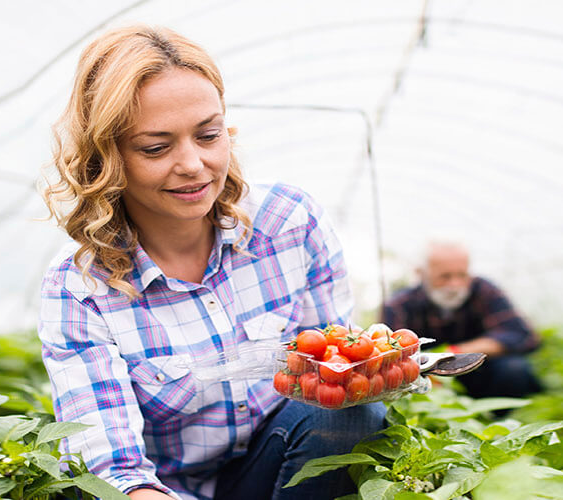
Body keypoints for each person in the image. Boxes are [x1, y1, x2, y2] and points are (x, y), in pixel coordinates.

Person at [36, 25, 384, 500]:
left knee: (348, 411)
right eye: (155, 147)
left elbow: (334, 368)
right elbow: (111, 472)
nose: (194, 164)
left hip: (283, 463)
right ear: (107, 157)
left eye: (208, 135)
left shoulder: (288, 222)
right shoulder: (80, 288)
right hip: (168, 491)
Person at [380, 240, 544, 400]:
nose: (455, 284)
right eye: (445, 276)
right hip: (429, 380)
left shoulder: (483, 290)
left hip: (480, 372)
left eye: (462, 275)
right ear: (421, 274)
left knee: (514, 369)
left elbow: (521, 335)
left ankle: (498, 417)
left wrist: (453, 352)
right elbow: (390, 356)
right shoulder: (399, 305)